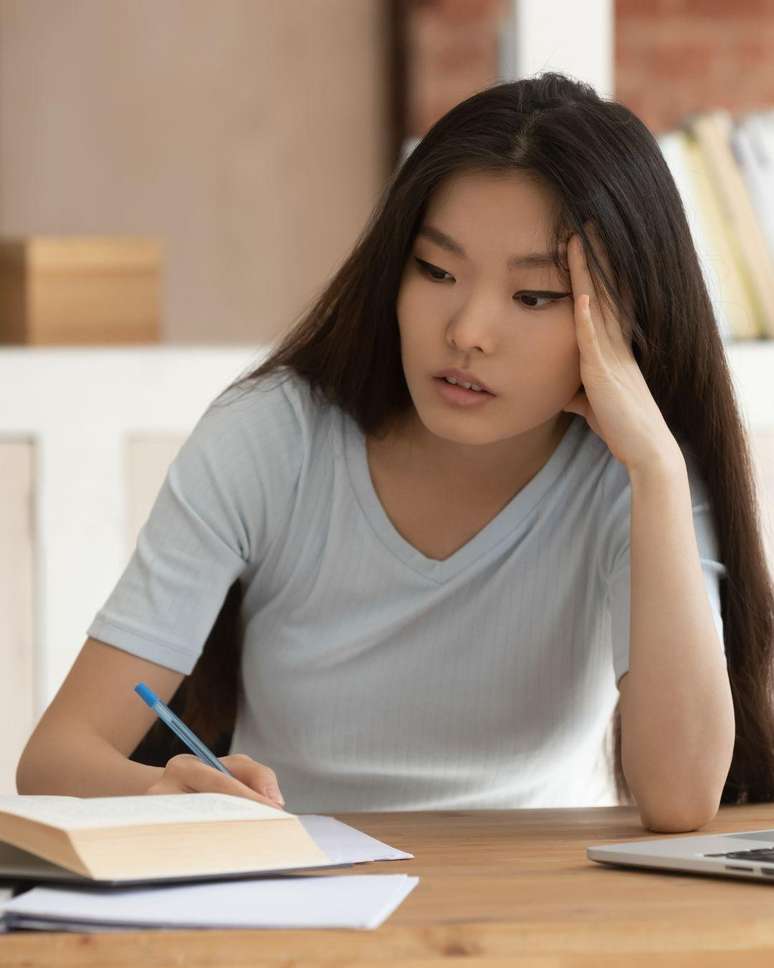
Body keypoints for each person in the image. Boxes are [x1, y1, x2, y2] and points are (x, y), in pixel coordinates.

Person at [16, 72, 774, 831]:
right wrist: (163, 796)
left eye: (534, 295)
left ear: (626, 315)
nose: (468, 330)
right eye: (436, 270)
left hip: (537, 902)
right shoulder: (272, 437)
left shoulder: (635, 474)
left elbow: (679, 800)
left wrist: (657, 469)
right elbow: (55, 760)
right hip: (298, 893)